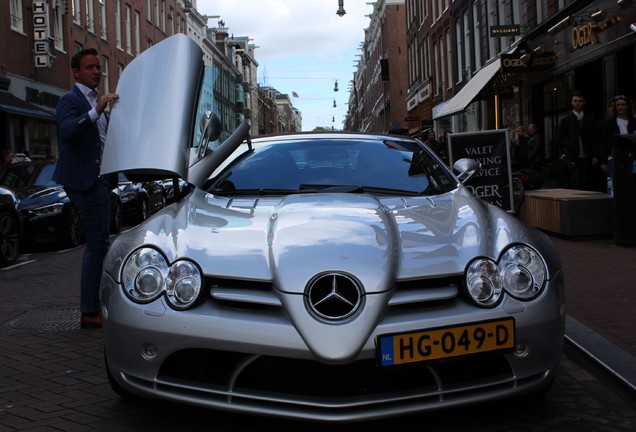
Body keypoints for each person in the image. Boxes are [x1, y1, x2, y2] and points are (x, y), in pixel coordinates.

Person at [53, 48, 119, 329]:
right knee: (96, 245)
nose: (96, 71)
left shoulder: (98, 102)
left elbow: (101, 141)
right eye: (90, 67)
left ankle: (95, 305)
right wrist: (96, 112)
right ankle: (90, 310)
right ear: (76, 72)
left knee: (100, 243)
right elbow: (67, 131)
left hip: (99, 179)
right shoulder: (71, 100)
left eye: (98, 67)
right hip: (83, 181)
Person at [556, 91, 598, 190]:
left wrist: (595, 155)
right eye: (575, 101)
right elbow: (559, 138)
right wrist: (569, 146)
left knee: (585, 179)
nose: (577, 103)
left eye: (580, 101)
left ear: (584, 102)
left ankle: (584, 201)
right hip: (572, 155)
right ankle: (575, 201)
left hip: (586, 155)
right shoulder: (566, 120)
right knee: (576, 179)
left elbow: (594, 138)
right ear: (572, 102)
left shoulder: (590, 119)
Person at [597, 94, 636, 193]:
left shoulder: (634, 122)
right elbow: (603, 142)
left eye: (623, 104)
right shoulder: (609, 122)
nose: (620, 107)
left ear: (627, 106)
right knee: (614, 182)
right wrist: (603, 162)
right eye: (618, 105)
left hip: (632, 156)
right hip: (614, 156)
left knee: (631, 181)